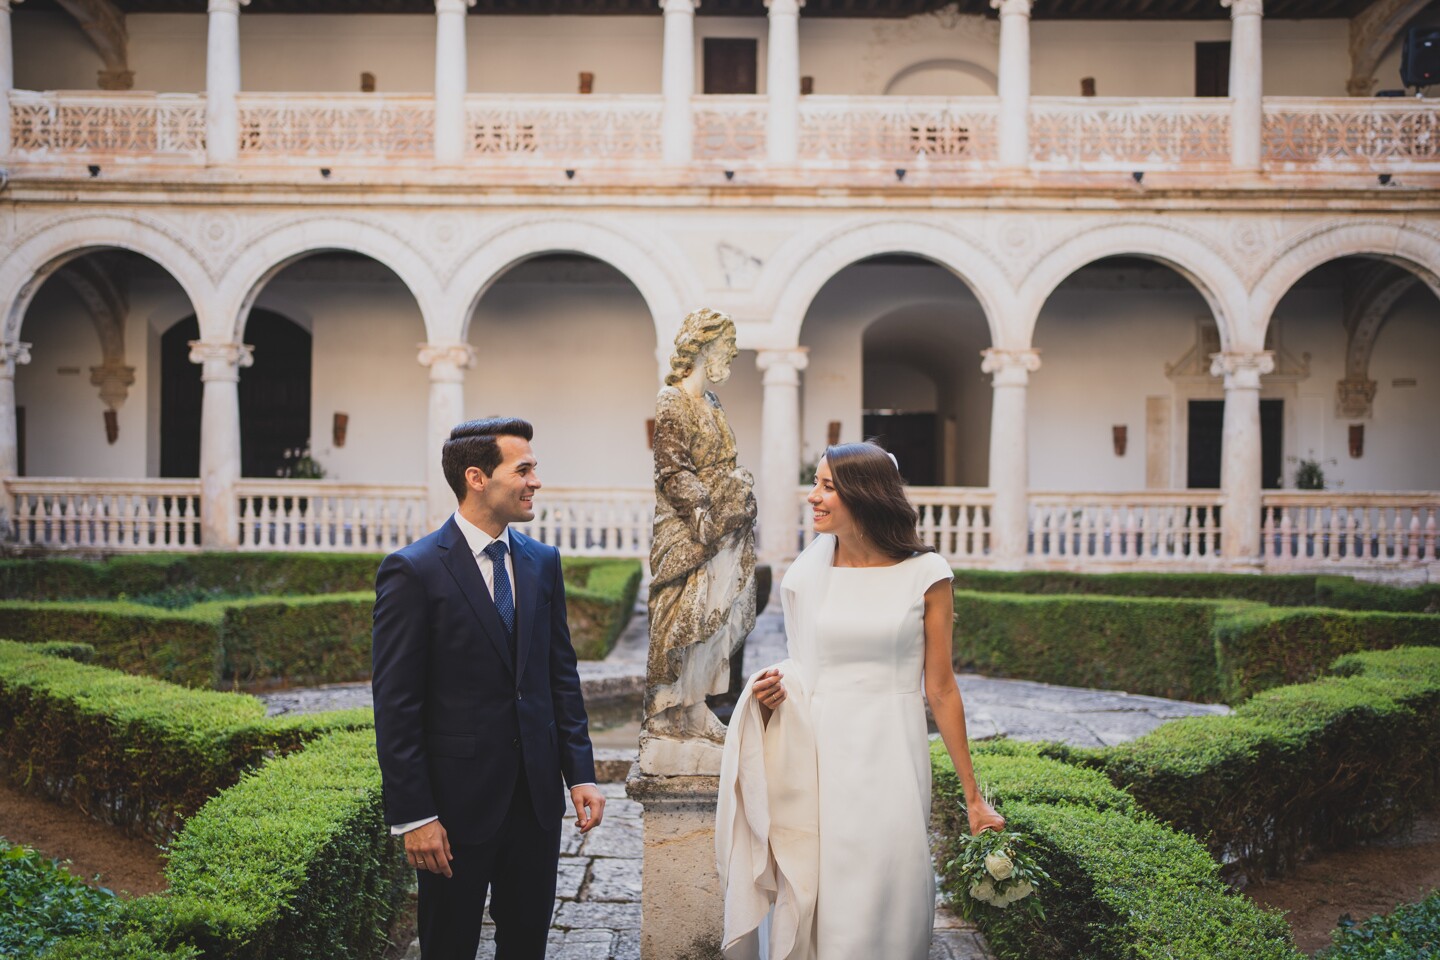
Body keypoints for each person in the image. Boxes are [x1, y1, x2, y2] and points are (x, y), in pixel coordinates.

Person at [717, 441, 1005, 960]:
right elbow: (803, 667)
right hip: (818, 756)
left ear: (864, 493)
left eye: (827, 486)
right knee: (822, 887)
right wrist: (771, 693)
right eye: (816, 483)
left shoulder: (928, 574)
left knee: (887, 883)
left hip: (892, 753)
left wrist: (973, 797)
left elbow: (941, 688)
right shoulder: (806, 575)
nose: (813, 496)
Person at [372, 417, 605, 960]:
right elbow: (397, 705)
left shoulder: (543, 562)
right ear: (476, 478)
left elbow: (559, 677)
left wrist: (581, 773)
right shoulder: (413, 571)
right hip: (454, 809)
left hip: (536, 804)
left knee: (526, 946)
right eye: (522, 470)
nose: (535, 481)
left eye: (534, 469)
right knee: (448, 947)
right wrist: (416, 816)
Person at [645, 307, 757, 744]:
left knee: (713, 618)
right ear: (704, 347)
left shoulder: (712, 402)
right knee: (683, 615)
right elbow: (672, 471)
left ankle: (695, 708)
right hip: (689, 529)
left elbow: (723, 462)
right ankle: (667, 711)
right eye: (726, 346)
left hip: (721, 525)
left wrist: (736, 490)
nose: (731, 354)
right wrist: (705, 515)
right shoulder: (672, 399)